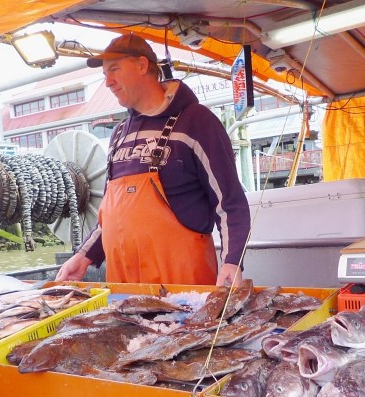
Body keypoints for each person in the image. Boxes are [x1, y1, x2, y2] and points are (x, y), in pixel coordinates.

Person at [55, 33, 250, 286]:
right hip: (123, 285)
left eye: (114, 69)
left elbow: (230, 203)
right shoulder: (118, 134)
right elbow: (111, 214)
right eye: (104, 74)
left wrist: (231, 262)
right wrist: (83, 256)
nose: (108, 82)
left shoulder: (196, 122)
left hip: (183, 283)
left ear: (142, 65)